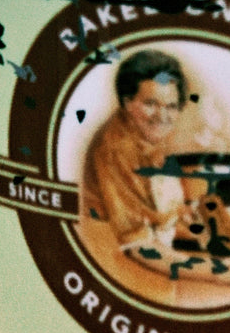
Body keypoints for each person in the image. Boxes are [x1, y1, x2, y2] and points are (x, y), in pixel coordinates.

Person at [80, 49, 192, 247]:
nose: (162, 116)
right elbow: (136, 243)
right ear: (127, 102)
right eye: (150, 103)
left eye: (171, 106)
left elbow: (157, 217)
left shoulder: (145, 138)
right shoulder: (117, 149)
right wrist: (223, 274)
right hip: (111, 252)